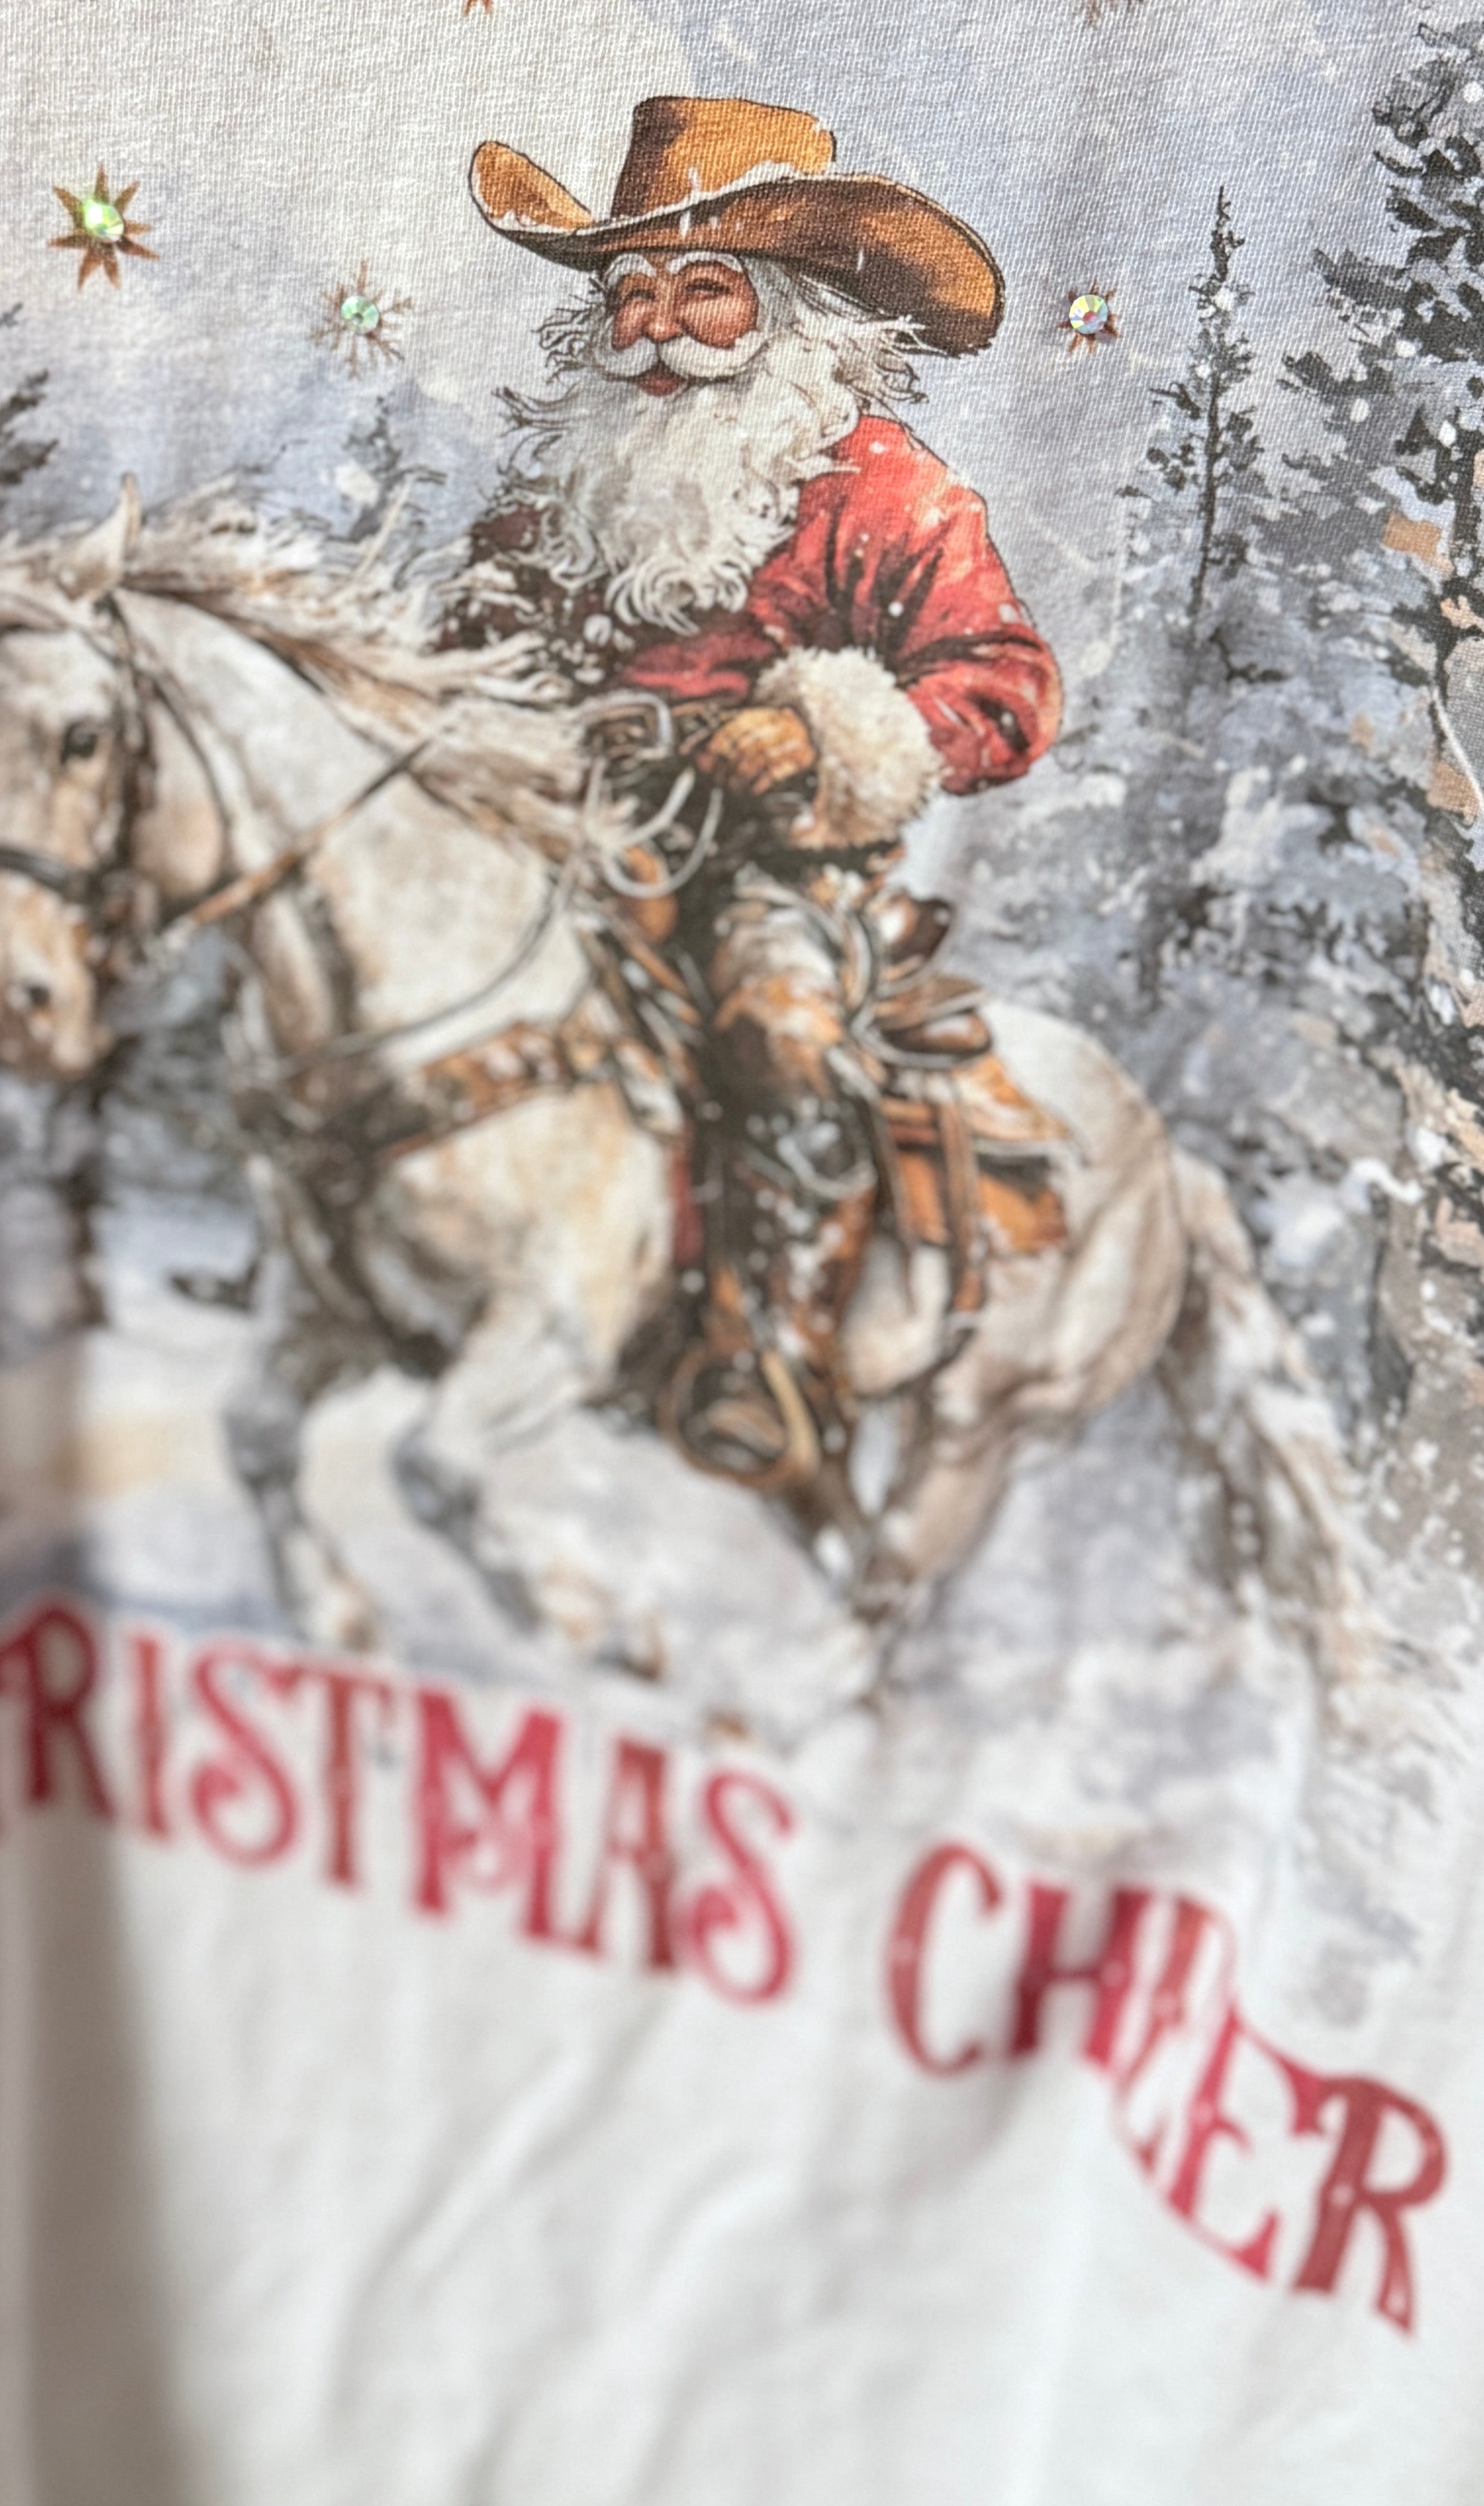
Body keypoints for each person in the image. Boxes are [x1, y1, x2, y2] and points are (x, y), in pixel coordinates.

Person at [449, 95, 1060, 1485]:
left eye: (703, 292)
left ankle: (761, 1338)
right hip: (564, 841)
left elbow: (1005, 685)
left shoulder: (888, 491)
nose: (655, 331)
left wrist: (828, 734)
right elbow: (465, 651)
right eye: (631, 295)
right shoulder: (559, 494)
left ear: (789, 312)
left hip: (775, 862)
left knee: (777, 1024)